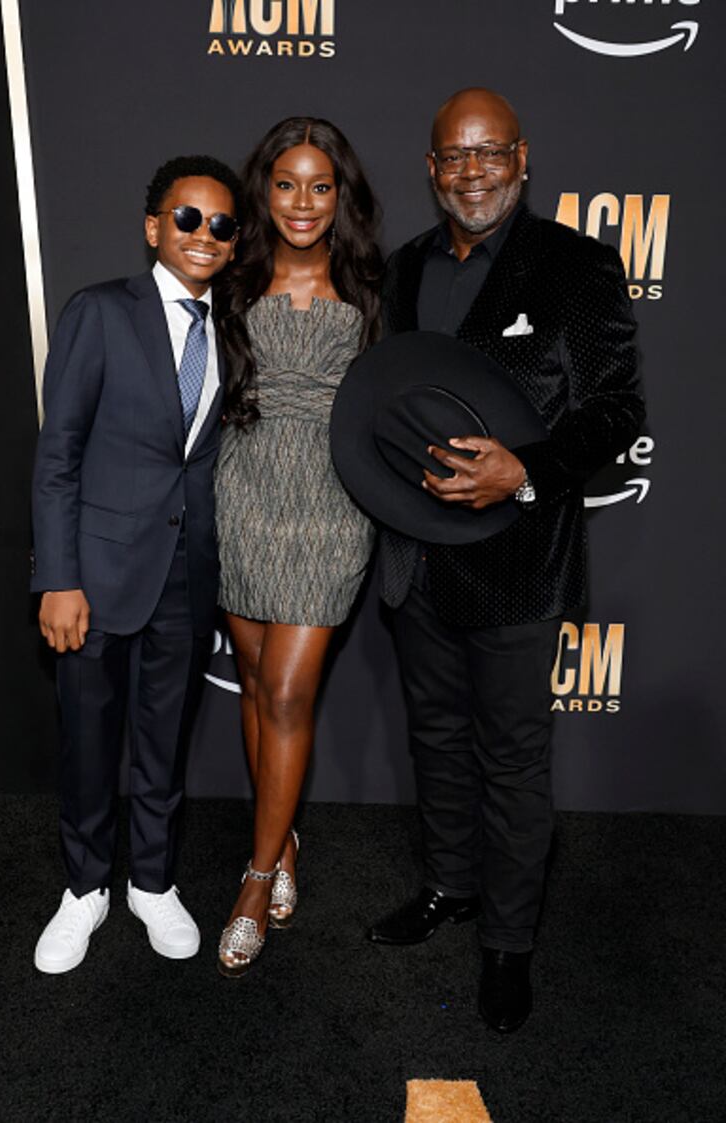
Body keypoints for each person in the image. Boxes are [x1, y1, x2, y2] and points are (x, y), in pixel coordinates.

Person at [365, 88, 645, 1031]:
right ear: (431, 169)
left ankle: (509, 942)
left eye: (490, 153)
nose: (472, 171)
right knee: (436, 739)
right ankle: (451, 885)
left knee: (515, 760)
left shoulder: (575, 265)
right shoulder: (403, 269)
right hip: (415, 557)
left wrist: (525, 471)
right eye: (454, 155)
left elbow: (617, 408)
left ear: (521, 160)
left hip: (518, 561)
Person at [30, 155, 241, 974]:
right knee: (88, 743)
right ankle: (85, 887)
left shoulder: (233, 329)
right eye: (187, 218)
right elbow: (58, 454)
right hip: (96, 575)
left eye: (222, 224)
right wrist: (58, 576)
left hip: (188, 576)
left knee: (164, 742)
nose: (204, 234)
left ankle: (153, 881)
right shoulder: (100, 312)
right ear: (154, 227)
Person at [214, 117, 382, 977]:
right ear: (265, 190)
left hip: (331, 501)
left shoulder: (374, 285)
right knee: (252, 681)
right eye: (286, 184)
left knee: (285, 689)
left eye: (320, 185)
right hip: (244, 492)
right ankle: (280, 842)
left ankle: (253, 879)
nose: (303, 201)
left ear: (340, 194)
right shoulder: (232, 273)